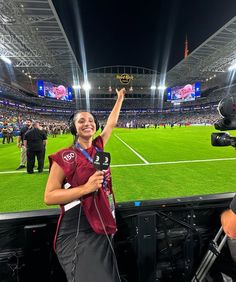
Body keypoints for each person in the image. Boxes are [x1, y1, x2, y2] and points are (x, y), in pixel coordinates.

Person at [44, 88, 126, 282]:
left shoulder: (98, 146)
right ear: (73, 128)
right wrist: (85, 188)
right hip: (78, 226)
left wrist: (120, 98)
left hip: (103, 219)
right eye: (81, 121)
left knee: (110, 276)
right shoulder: (64, 156)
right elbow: (49, 196)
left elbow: (111, 124)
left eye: (91, 121)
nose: (87, 123)